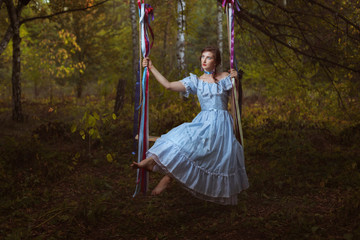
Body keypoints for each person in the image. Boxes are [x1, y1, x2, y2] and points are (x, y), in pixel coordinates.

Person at [131, 46, 249, 205]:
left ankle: (167, 177)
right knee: (181, 138)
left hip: (221, 124)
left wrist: (237, 81)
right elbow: (169, 85)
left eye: (209, 57)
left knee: (206, 153)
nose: (204, 60)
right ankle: (153, 162)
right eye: (202, 57)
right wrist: (152, 68)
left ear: (217, 61)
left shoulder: (226, 77)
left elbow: (237, 101)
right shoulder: (196, 81)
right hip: (203, 121)